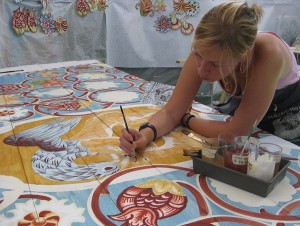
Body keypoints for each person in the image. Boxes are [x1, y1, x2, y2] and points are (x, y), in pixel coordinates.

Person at [119, 1, 300, 155]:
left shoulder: (269, 54)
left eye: (216, 65)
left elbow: (234, 134)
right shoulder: (207, 49)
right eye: (197, 55)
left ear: (243, 57)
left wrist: (186, 119)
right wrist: (146, 133)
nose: (201, 71)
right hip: (247, 111)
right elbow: (171, 112)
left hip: (289, 114)